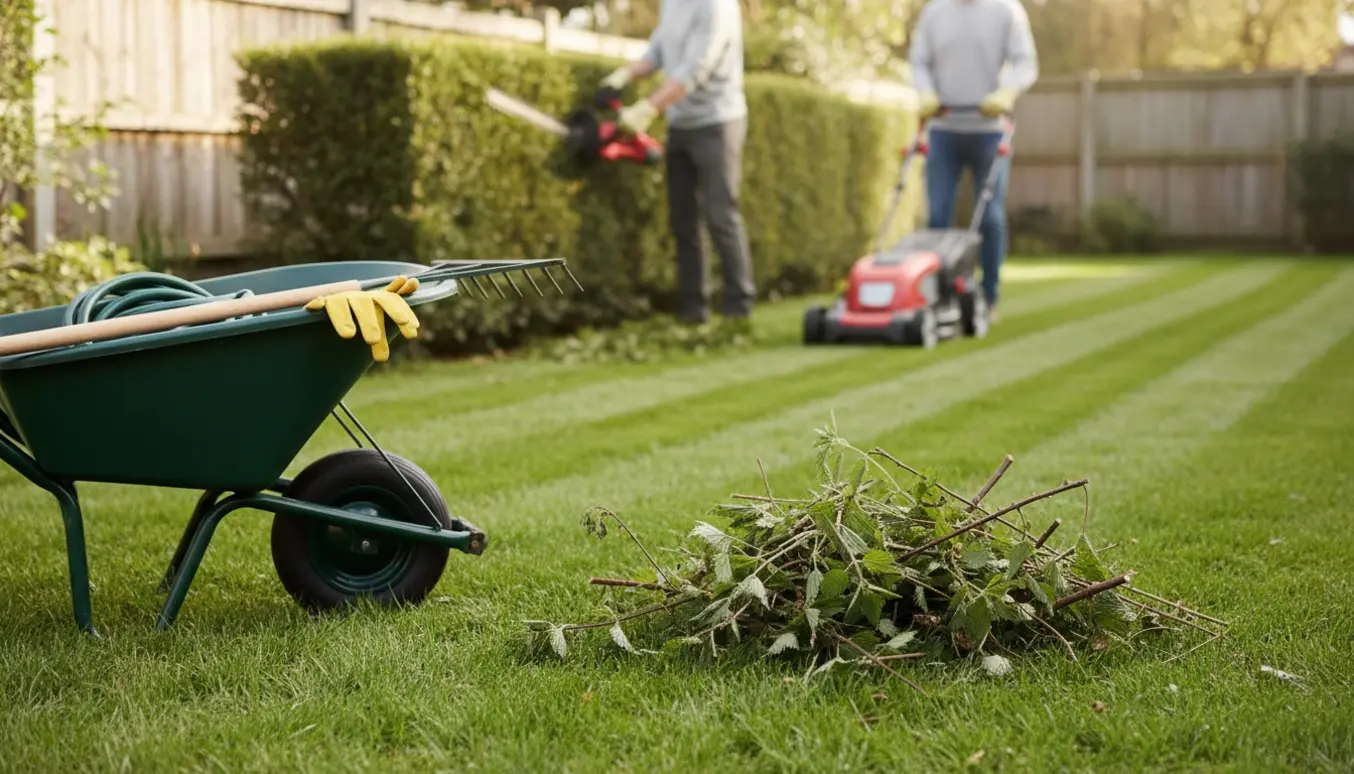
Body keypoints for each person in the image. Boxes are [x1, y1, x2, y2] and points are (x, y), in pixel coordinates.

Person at [597, 0, 756, 327]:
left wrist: (647, 108)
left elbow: (696, 68)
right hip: (680, 123)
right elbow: (658, 51)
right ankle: (692, 310)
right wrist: (623, 75)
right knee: (683, 220)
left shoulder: (717, 6)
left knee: (720, 214)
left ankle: (739, 307)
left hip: (718, 122)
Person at [909, 0, 1038, 322]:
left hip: (989, 131)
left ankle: (988, 296)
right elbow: (919, 62)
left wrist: (1006, 93)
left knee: (990, 218)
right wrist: (925, 93)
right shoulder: (935, 11)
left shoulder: (1006, 11)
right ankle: (937, 295)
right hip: (943, 129)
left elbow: (1026, 62)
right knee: (938, 218)